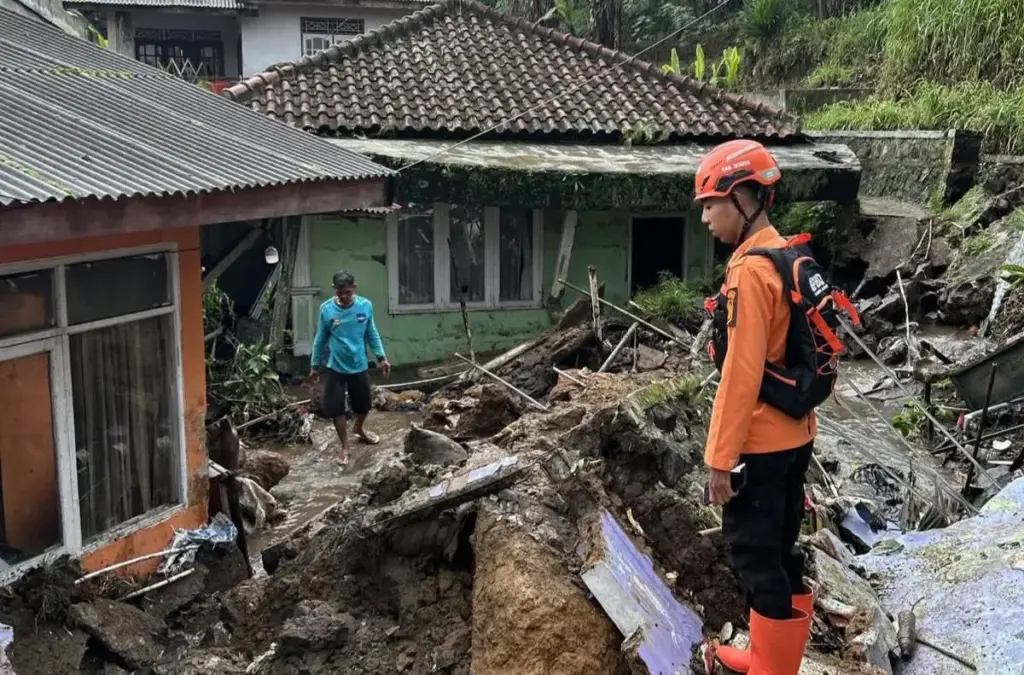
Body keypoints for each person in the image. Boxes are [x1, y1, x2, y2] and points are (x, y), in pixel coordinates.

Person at [695, 140, 817, 675]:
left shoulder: (749, 270)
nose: (704, 217)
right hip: (798, 434)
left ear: (743, 197)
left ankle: (771, 667)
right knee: (783, 548)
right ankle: (773, 658)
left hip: (763, 444)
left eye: (710, 203)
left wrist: (720, 460)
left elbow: (741, 374)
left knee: (752, 554)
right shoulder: (786, 254)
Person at [310, 270, 391, 465]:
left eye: (347, 292)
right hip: (336, 366)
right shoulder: (326, 309)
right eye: (340, 293)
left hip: (359, 364)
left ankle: (359, 428)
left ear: (354, 288)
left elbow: (372, 333)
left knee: (364, 405)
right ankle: (345, 446)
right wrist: (314, 364)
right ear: (334, 290)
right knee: (336, 408)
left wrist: (382, 357)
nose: (344, 296)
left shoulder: (365, 306)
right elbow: (320, 338)